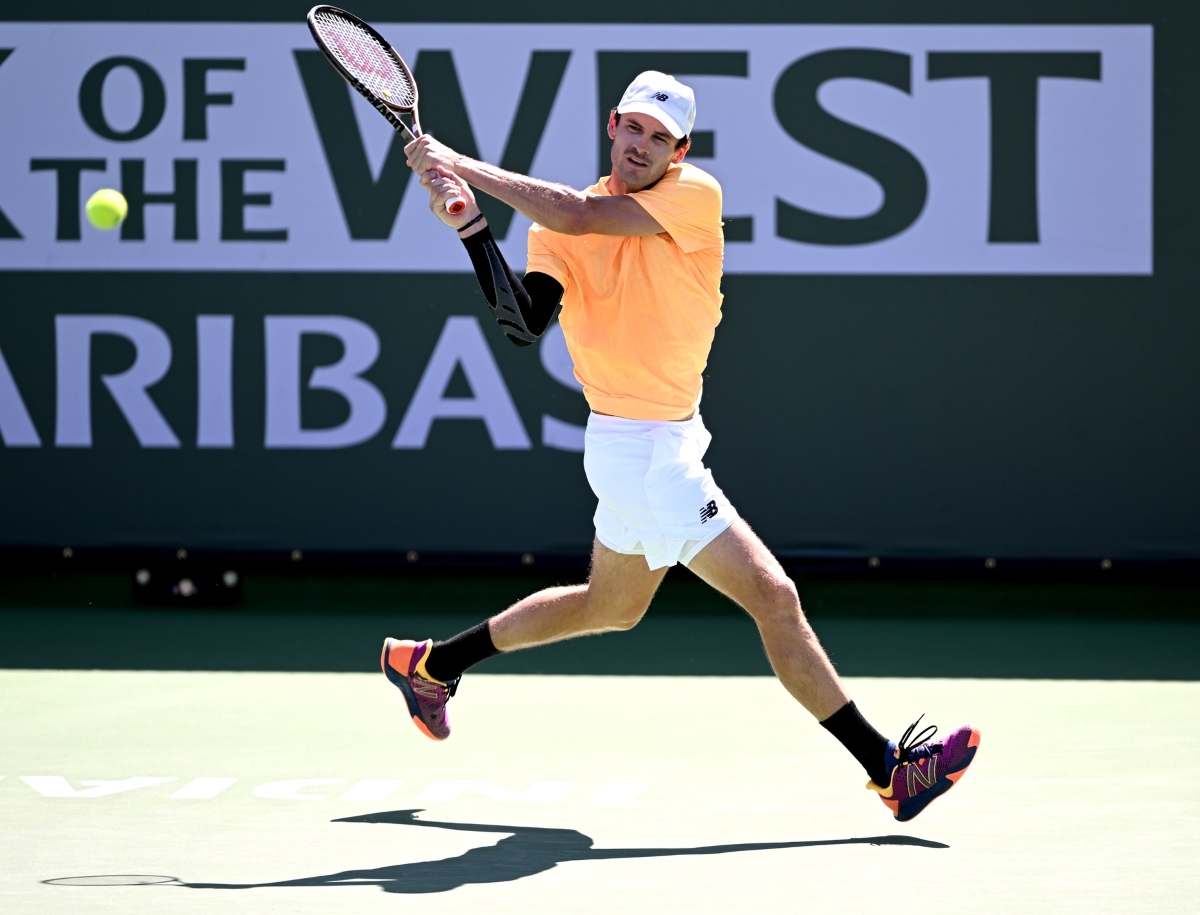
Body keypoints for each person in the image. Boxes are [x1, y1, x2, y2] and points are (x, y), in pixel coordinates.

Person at [383, 71, 979, 822]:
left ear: (680, 149)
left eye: (658, 137)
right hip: (639, 456)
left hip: (663, 440)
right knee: (775, 596)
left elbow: (584, 210)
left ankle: (433, 664)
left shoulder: (692, 197)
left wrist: (460, 164)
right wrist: (473, 233)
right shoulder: (553, 230)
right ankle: (890, 768)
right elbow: (523, 322)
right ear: (612, 126)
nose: (641, 145)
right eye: (632, 128)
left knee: (611, 606)